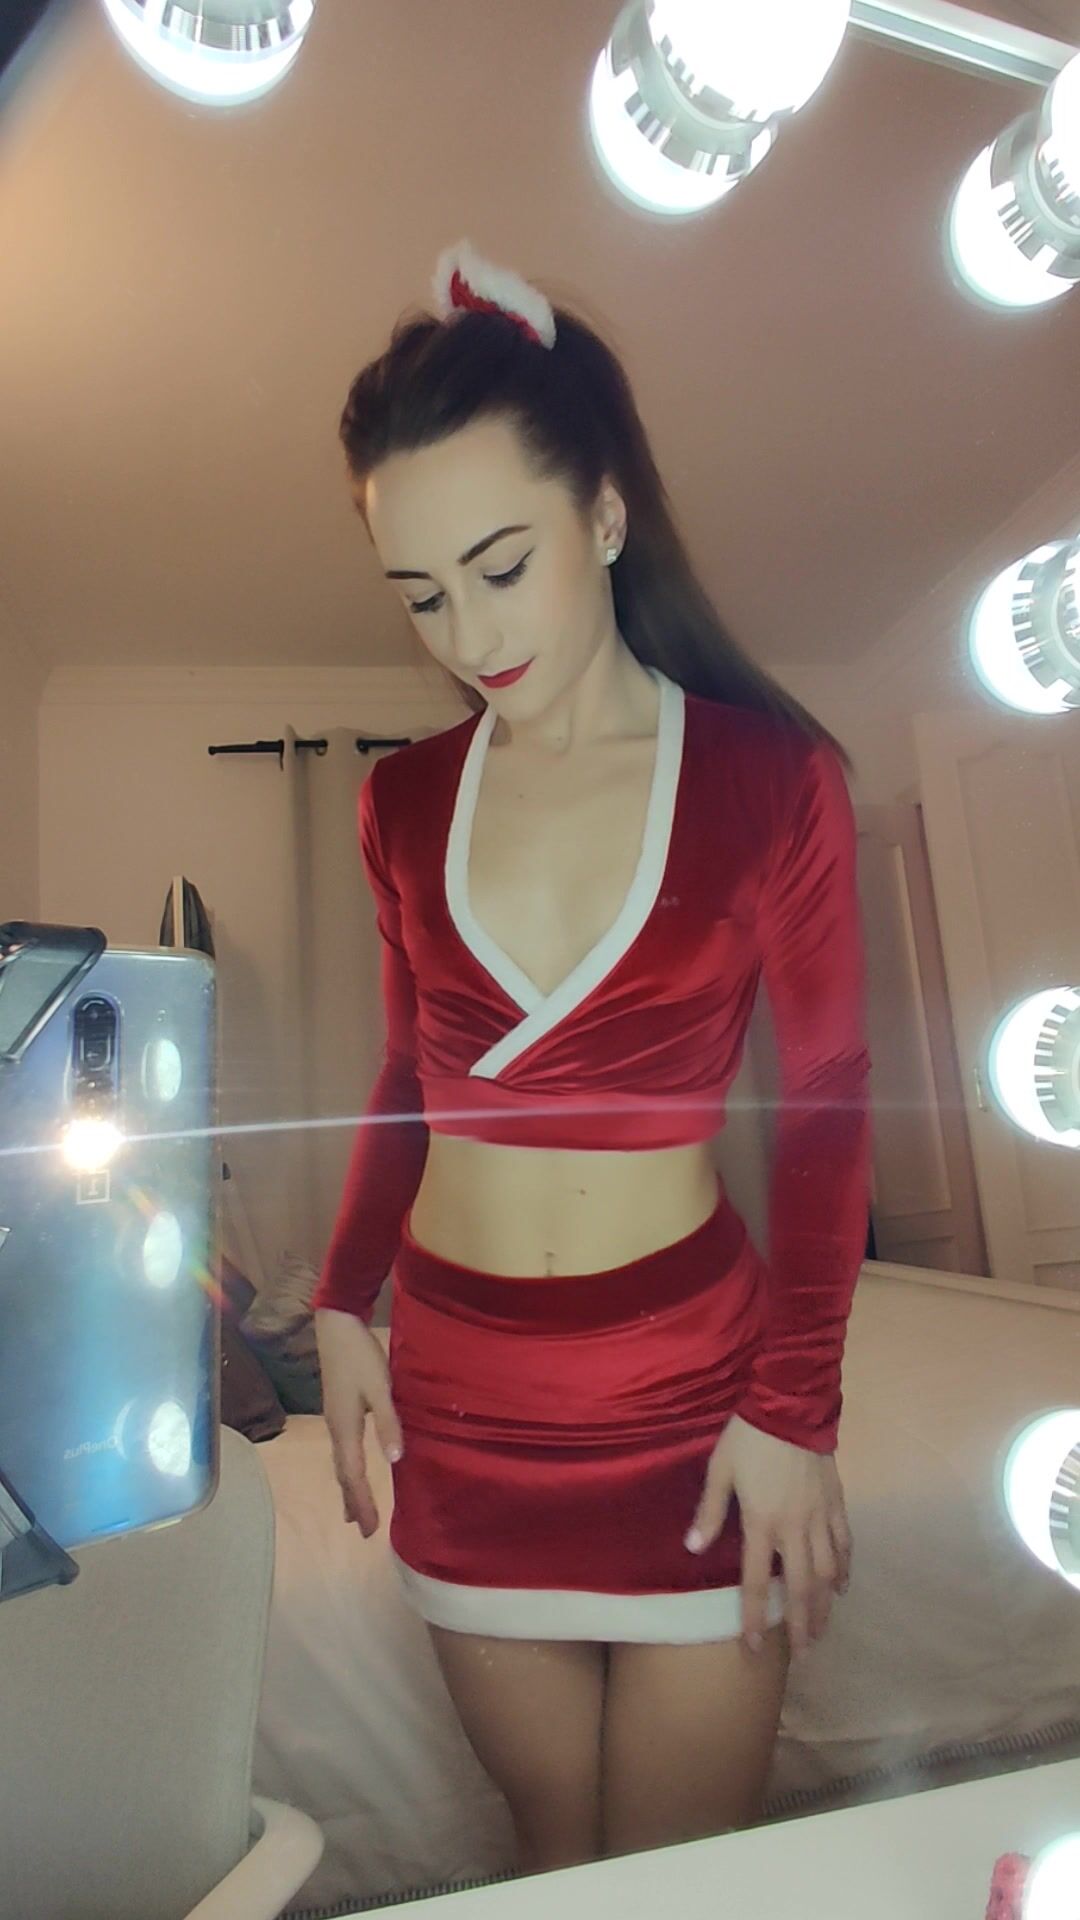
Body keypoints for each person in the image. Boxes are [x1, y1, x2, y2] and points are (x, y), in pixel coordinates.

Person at [314, 240, 872, 1875]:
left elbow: (829, 1111)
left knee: (680, 1882)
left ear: (606, 517)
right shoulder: (401, 801)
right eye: (422, 592)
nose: (466, 631)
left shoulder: (771, 783)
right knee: (559, 1863)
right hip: (463, 1404)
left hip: (693, 1403)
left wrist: (797, 1412)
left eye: (501, 566)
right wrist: (339, 1301)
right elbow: (406, 1077)